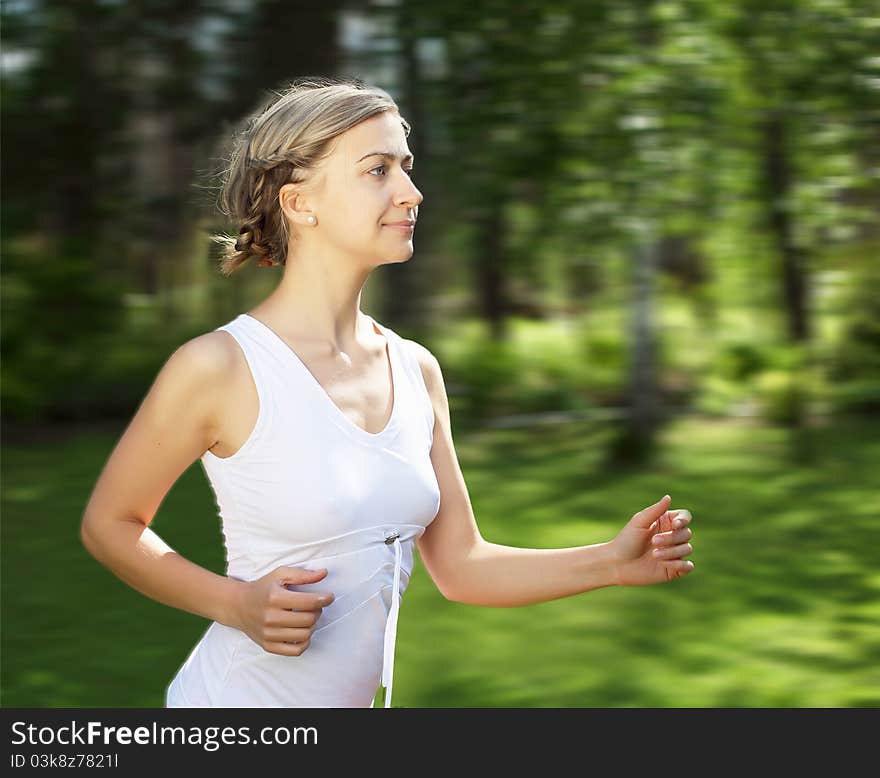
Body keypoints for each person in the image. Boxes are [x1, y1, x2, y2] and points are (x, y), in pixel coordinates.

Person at [79, 76, 695, 709]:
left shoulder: (414, 368)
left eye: (406, 166)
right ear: (298, 203)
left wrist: (610, 563)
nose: (411, 192)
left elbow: (461, 566)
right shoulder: (222, 365)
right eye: (378, 170)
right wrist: (235, 603)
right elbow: (111, 523)